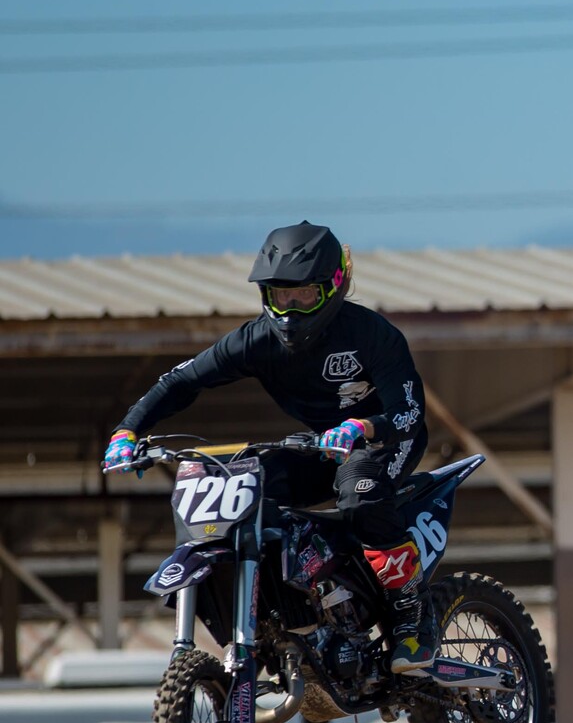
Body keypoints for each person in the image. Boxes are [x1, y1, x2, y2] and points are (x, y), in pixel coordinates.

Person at [101, 222, 438, 672]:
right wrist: (127, 430)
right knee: (246, 482)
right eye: (281, 296)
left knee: (358, 489)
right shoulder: (254, 340)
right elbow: (181, 380)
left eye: (304, 296)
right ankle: (289, 612)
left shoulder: (373, 335)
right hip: (323, 448)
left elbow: (410, 413)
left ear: (334, 286)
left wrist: (362, 428)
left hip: (387, 438)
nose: (291, 310)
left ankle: (411, 617)